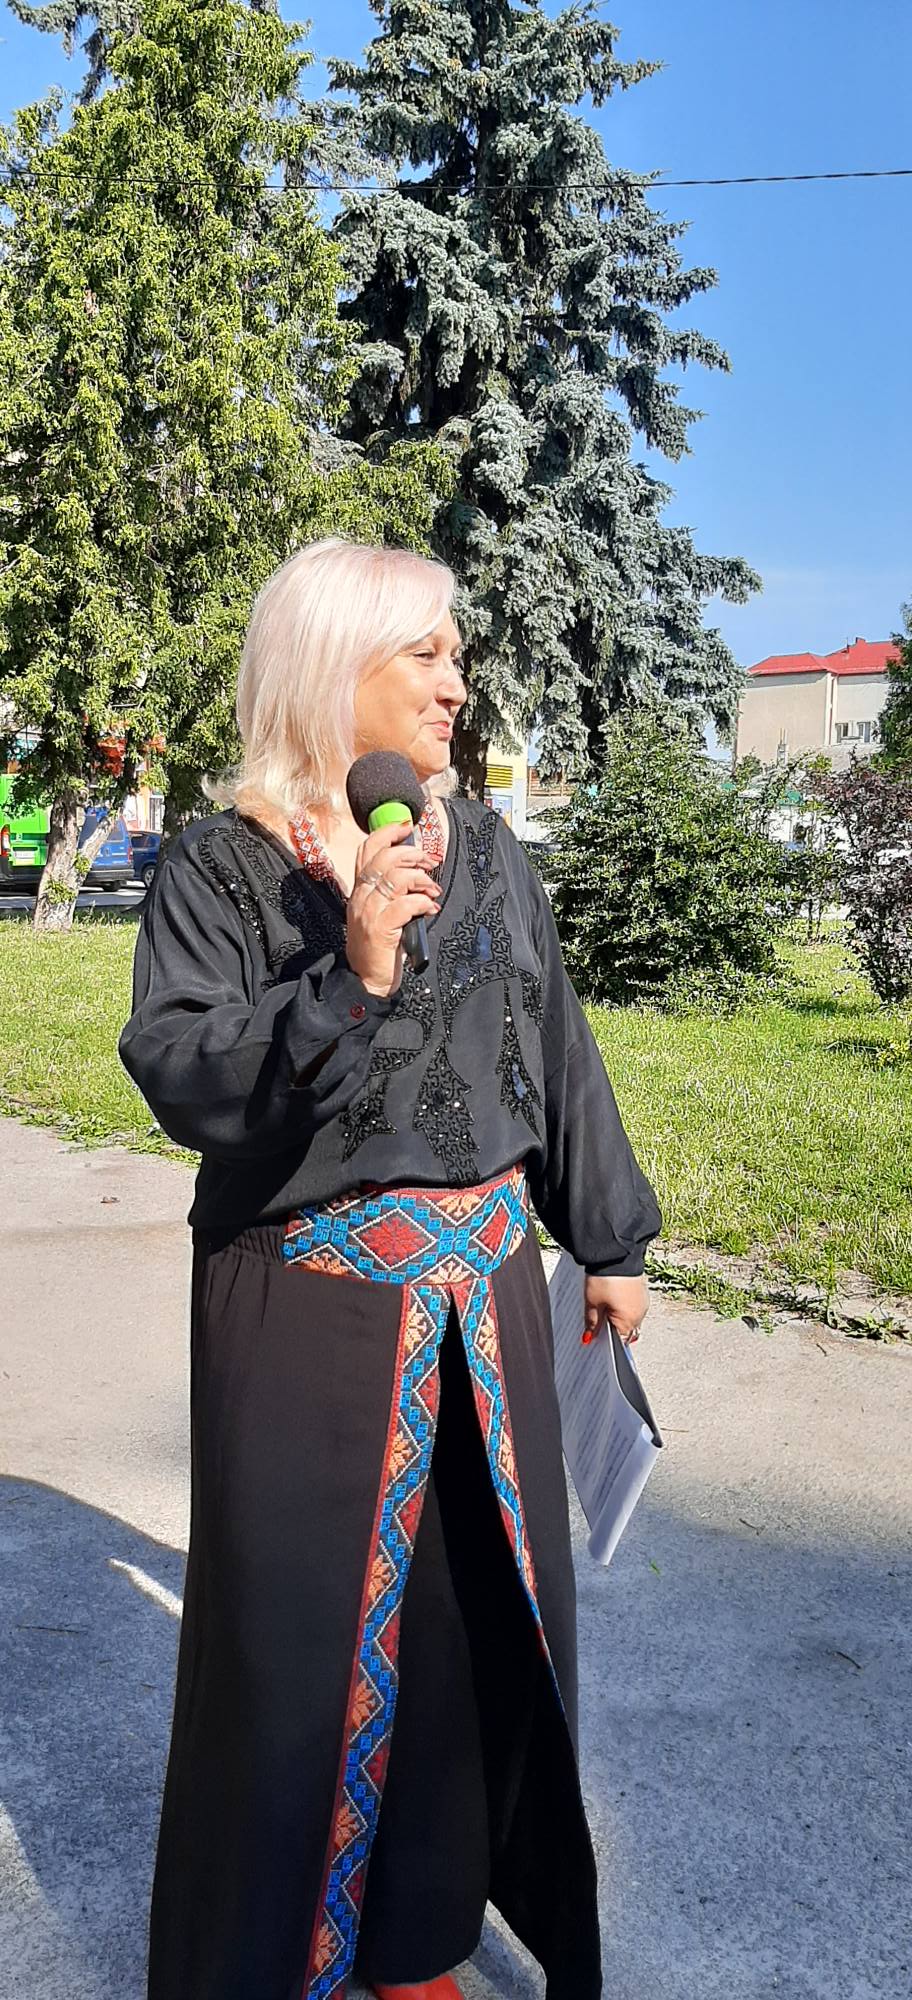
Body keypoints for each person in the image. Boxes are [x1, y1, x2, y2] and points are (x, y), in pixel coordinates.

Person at [119, 537, 661, 2000]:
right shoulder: (222, 865)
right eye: (425, 653)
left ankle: (415, 1941)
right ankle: (271, 1962)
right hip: (307, 1315)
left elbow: (554, 1042)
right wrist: (349, 975)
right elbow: (181, 1069)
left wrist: (607, 1236)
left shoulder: (483, 850)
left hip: (487, 1308)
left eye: (456, 654)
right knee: (294, 1660)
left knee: (470, 1637)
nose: (455, 683)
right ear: (329, 665)